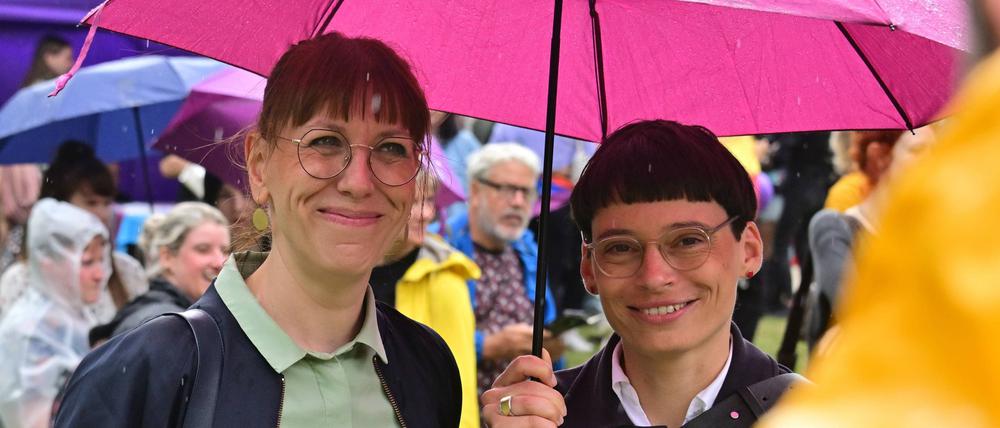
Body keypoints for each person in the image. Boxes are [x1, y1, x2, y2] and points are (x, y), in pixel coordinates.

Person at [53, 32, 461, 427]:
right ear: (259, 164)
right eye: (325, 142)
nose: (358, 182)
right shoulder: (149, 372)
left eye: (392, 148)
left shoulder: (428, 368)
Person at [759, 6, 1000, 424]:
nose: (930, 162)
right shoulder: (841, 217)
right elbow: (846, 300)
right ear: (878, 157)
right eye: (917, 152)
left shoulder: (944, 213)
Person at [482, 120, 798, 428]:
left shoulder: (816, 414)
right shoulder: (538, 418)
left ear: (750, 250)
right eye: (620, 248)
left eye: (688, 241)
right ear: (588, 267)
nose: (654, 277)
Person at [445, 142, 560, 395]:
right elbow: (421, 337)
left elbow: (549, 323)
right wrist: (486, 346)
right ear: (475, 191)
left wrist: (554, 345)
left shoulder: (529, 253)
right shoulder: (440, 252)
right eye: (507, 189)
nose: (519, 202)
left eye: (526, 191)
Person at [806, 127, 936, 348]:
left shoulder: (930, 232)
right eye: (918, 150)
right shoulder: (835, 227)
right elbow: (857, 311)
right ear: (880, 157)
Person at [371, 171, 481, 428]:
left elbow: (460, 388)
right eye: (414, 202)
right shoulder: (351, 269)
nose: (426, 213)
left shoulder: (444, 279)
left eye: (429, 200)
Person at [0, 142, 146, 322]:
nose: (102, 214)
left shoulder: (128, 271)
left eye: (107, 203)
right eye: (91, 203)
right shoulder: (22, 279)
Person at [0, 199, 109, 428]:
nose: (100, 274)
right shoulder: (29, 332)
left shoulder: (77, 314)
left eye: (101, 260)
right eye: (87, 262)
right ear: (48, 262)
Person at [88, 202, 230, 344]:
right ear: (167, 257)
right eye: (203, 249)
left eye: (225, 251)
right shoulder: (168, 326)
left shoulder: (180, 318)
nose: (219, 262)